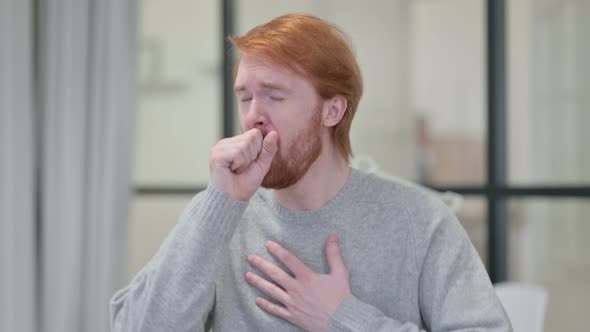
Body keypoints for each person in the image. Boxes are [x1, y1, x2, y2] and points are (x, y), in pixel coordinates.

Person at [110, 13, 511, 332]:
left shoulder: (419, 220)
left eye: (274, 95)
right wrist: (218, 205)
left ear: (332, 111)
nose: (253, 117)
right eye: (245, 97)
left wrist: (343, 318)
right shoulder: (219, 215)